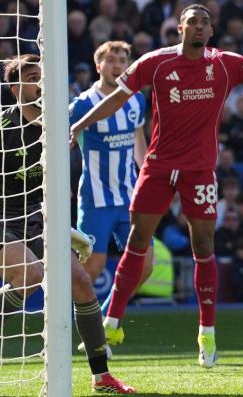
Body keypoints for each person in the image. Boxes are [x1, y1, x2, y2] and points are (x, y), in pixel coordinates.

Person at [69, 0, 243, 368]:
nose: (199, 26)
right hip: (157, 168)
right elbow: (116, 99)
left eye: (205, 21)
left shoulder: (224, 63)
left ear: (211, 31)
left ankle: (207, 332)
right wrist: (79, 125)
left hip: (199, 170)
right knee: (138, 242)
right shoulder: (155, 63)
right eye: (192, 21)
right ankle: (112, 322)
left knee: (203, 244)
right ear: (180, 29)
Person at [0, 55, 135, 393]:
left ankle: (101, 376)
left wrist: (66, 229)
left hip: (33, 218)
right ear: (15, 88)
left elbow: (56, 188)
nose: (41, 82)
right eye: (33, 76)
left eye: (44, 75)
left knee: (80, 282)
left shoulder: (56, 130)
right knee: (31, 274)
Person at [69, 41, 154, 314]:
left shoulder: (137, 100)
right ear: (98, 66)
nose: (117, 65)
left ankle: (106, 318)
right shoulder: (82, 105)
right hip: (95, 199)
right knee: (91, 269)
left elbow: (138, 139)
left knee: (145, 266)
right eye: (110, 60)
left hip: (130, 197)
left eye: (122, 60)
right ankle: (66, 321)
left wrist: (148, 177)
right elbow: (64, 145)